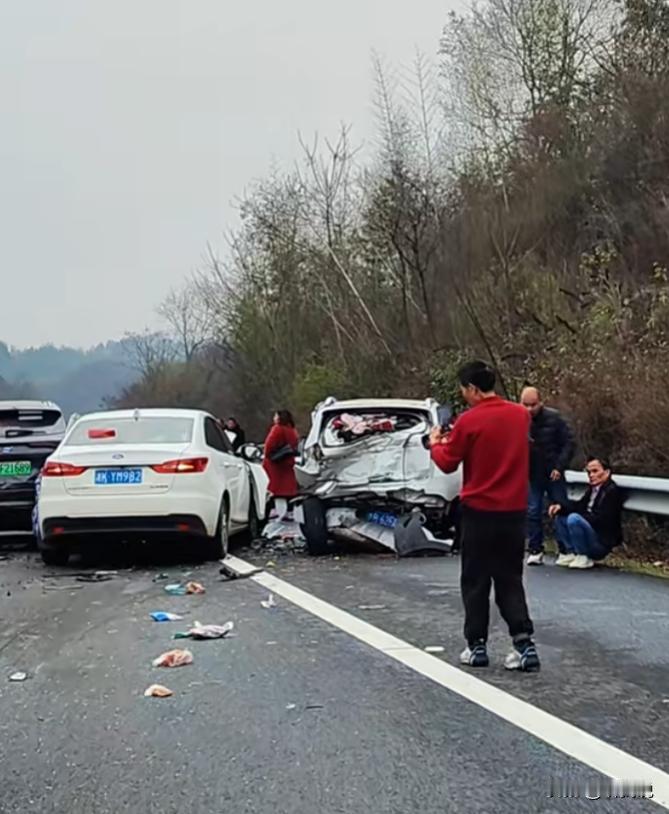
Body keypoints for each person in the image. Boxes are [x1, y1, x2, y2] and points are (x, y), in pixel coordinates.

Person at [430, 361, 540, 672]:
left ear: (473, 389)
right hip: (514, 510)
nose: (463, 395)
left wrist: (435, 442)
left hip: (479, 509)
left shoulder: (468, 421)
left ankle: (476, 646)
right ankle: (523, 642)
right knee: (510, 578)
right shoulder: (520, 415)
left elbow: (448, 463)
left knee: (476, 579)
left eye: (464, 389)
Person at [520, 387, 575, 567]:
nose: (529, 409)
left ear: (541, 402)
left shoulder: (554, 418)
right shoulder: (518, 420)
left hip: (553, 472)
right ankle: (535, 549)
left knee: (559, 509)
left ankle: (565, 548)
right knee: (533, 511)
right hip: (532, 473)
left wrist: (560, 466)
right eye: (525, 405)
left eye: (533, 405)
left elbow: (568, 443)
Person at [548, 457, 624, 570]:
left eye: (595, 471)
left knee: (574, 519)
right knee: (561, 517)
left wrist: (580, 518)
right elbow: (579, 506)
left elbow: (602, 519)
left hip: (601, 541)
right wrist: (561, 507)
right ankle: (570, 552)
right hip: (590, 532)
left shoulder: (612, 492)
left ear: (607, 472)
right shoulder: (592, 489)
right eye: (589, 472)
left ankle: (583, 555)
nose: (591, 475)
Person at [263, 410, 299, 521]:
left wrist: (267, 454)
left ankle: (277, 513)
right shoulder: (292, 430)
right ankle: (289, 512)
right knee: (286, 490)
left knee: (275, 491)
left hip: (275, 465)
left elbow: (268, 447)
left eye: (275, 416)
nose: (274, 418)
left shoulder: (277, 429)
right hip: (287, 464)